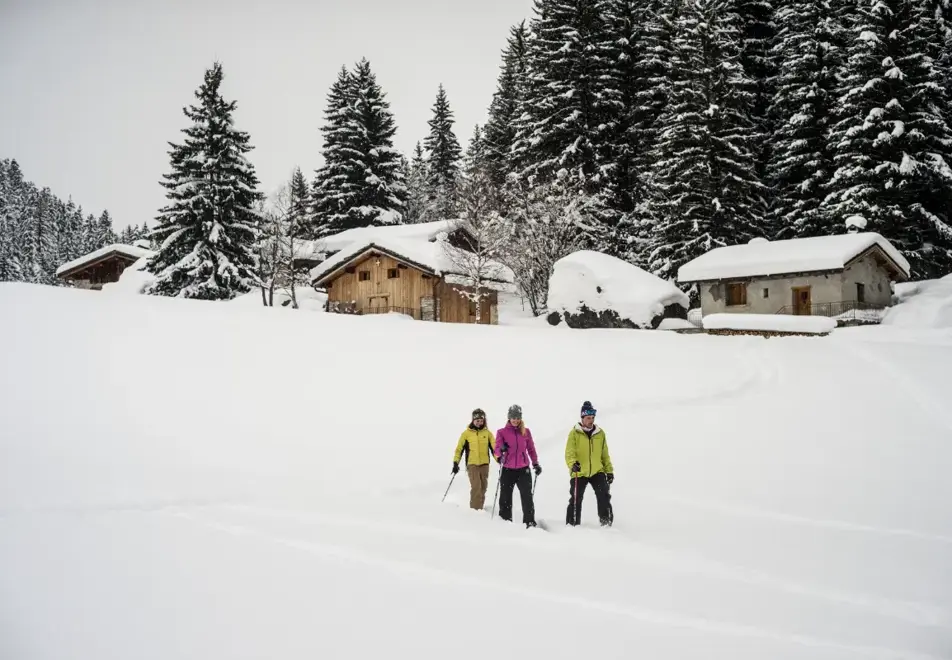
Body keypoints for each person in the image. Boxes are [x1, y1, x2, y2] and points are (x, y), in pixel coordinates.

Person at [565, 400, 614, 527]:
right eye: (588, 418)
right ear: (582, 418)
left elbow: (604, 454)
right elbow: (569, 453)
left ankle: (606, 524)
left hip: (597, 471)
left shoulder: (600, 433)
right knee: (576, 499)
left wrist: (609, 471)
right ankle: (572, 525)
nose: (591, 420)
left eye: (592, 418)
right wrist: (572, 464)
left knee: (604, 496)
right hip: (579, 471)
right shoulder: (574, 433)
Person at [494, 404, 542, 528]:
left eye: (517, 417)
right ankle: (505, 522)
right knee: (505, 497)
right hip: (507, 470)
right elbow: (497, 450)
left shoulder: (526, 432)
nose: (515, 420)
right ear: (509, 418)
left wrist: (535, 463)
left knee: (527, 497)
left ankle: (529, 522)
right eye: (513, 417)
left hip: (523, 470)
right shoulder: (501, 432)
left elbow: (531, 449)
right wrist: (501, 450)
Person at [452, 408, 496, 510]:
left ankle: (479, 509)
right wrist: (455, 463)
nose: (479, 423)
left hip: (484, 465)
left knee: (483, 489)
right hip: (472, 465)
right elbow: (459, 449)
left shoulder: (487, 433)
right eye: (477, 420)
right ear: (473, 420)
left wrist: (499, 458)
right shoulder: (466, 434)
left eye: (481, 421)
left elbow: (494, 448)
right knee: (476, 488)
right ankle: (475, 513)